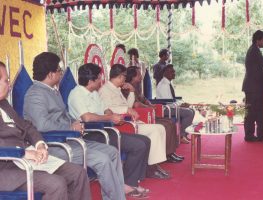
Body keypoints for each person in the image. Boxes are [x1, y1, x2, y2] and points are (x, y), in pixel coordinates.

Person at [23, 52, 129, 200]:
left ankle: (116, 196)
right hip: (54, 145)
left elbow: (63, 115)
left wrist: (75, 122)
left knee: (112, 152)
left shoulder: (52, 91)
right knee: (102, 159)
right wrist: (70, 127)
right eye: (59, 70)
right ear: (50, 74)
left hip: (69, 140)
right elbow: (42, 124)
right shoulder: (35, 94)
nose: (61, 73)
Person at [0, 61, 91, 200]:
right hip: (6, 169)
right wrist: (24, 153)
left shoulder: (4, 104)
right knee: (56, 184)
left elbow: (26, 126)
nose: (9, 85)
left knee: (78, 173)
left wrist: (39, 144)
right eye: (6, 80)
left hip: (25, 160)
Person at [68, 63, 151, 196]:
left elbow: (106, 109)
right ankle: (128, 184)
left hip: (105, 129)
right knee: (138, 145)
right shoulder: (76, 94)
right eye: (99, 78)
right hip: (91, 133)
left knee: (145, 140)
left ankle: (132, 181)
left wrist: (110, 115)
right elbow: (87, 117)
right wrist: (109, 117)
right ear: (91, 81)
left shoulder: (94, 93)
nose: (101, 80)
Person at [99, 64, 170, 179]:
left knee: (160, 128)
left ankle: (153, 165)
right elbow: (107, 110)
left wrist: (131, 92)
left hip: (128, 121)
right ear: (120, 76)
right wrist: (126, 109)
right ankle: (151, 168)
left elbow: (128, 106)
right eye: (124, 76)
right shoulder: (105, 90)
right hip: (120, 125)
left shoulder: (116, 89)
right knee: (155, 130)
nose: (125, 79)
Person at [123, 66, 184, 163]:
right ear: (133, 77)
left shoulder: (137, 87)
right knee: (166, 125)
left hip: (148, 112)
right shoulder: (126, 89)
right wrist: (148, 108)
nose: (141, 76)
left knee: (169, 122)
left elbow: (143, 99)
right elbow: (135, 104)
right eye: (139, 74)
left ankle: (170, 152)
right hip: (141, 115)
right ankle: (166, 154)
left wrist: (150, 104)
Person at [242, 30, 263, 142]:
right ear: (258, 40)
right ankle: (249, 136)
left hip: (254, 87)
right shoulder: (254, 50)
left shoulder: (255, 50)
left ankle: (260, 135)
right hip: (253, 88)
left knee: (258, 111)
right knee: (251, 113)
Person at [156, 64, 195, 144]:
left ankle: (183, 134)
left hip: (170, 106)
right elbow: (168, 102)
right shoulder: (163, 85)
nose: (174, 73)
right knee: (189, 113)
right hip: (166, 109)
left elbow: (172, 99)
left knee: (191, 110)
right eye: (171, 72)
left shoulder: (168, 83)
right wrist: (181, 105)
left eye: (174, 71)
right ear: (165, 73)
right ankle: (180, 136)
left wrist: (182, 103)